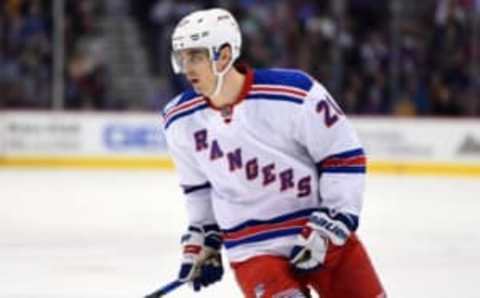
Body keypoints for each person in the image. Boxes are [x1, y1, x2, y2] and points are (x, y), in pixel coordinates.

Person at [162, 7, 386, 298]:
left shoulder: (295, 94)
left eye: (196, 56)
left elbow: (342, 155)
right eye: (182, 56)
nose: (187, 66)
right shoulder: (179, 119)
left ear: (225, 55)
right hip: (253, 250)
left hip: (320, 235)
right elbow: (198, 188)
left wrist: (334, 221)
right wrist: (204, 237)